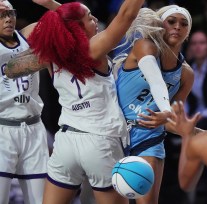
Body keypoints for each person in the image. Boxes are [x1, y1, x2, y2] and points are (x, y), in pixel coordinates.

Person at [4, 0, 144, 203]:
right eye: (89, 17)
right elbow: (126, 15)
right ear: (77, 28)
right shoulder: (93, 49)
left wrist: (52, 5)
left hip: (66, 143)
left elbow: (11, 69)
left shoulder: (51, 56)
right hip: (100, 141)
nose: (95, 19)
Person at [114, 5, 194, 204]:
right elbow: (157, 83)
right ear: (161, 25)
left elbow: (173, 121)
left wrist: (197, 132)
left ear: (187, 33)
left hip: (149, 137)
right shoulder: (144, 46)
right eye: (172, 21)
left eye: (183, 24)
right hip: (114, 132)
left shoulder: (186, 74)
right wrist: (167, 113)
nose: (177, 27)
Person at [0, 0, 60, 203]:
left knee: (40, 200)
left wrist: (50, 3)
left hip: (34, 128)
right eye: (1, 15)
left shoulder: (27, 36)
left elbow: (68, 19)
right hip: (2, 129)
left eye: (11, 13)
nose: (8, 18)